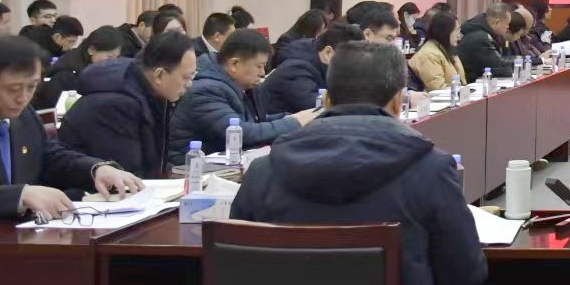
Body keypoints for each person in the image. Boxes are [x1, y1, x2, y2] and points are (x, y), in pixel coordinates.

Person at [230, 42, 488, 285]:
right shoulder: (431, 170)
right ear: (399, 101)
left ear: (327, 100)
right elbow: (464, 277)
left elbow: (241, 282)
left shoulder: (263, 174)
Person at [0, 36, 143, 220]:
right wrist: (19, 196)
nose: (23, 98)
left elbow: (49, 156)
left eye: (32, 86)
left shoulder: (24, 116)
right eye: (13, 89)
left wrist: (96, 169)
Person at [57, 32, 197, 180]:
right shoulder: (118, 105)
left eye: (193, 76)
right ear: (159, 75)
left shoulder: (149, 90)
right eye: (186, 77)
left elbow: (151, 162)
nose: (189, 85)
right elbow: (127, 175)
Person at [168, 30, 316, 164]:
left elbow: (255, 121)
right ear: (234, 64)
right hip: (187, 170)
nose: (263, 73)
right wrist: (295, 122)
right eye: (259, 66)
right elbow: (241, 132)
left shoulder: (239, 85)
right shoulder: (206, 90)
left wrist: (290, 117)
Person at [260, 22, 363, 115]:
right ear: (328, 52)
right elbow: (319, 108)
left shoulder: (316, 58)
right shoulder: (296, 70)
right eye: (350, 59)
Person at [36, 25, 125, 109]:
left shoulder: (96, 68)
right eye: (109, 56)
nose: (114, 62)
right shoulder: (69, 73)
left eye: (117, 57)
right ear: (92, 50)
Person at [457, 4, 516, 81]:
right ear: (497, 22)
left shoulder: (483, 33)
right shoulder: (480, 38)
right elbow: (499, 65)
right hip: (471, 84)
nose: (508, 27)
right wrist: (523, 62)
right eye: (507, 23)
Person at [410, 12, 466, 92]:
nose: (459, 35)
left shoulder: (445, 50)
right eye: (456, 30)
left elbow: (460, 82)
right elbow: (438, 89)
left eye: (459, 30)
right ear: (444, 32)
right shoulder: (429, 55)